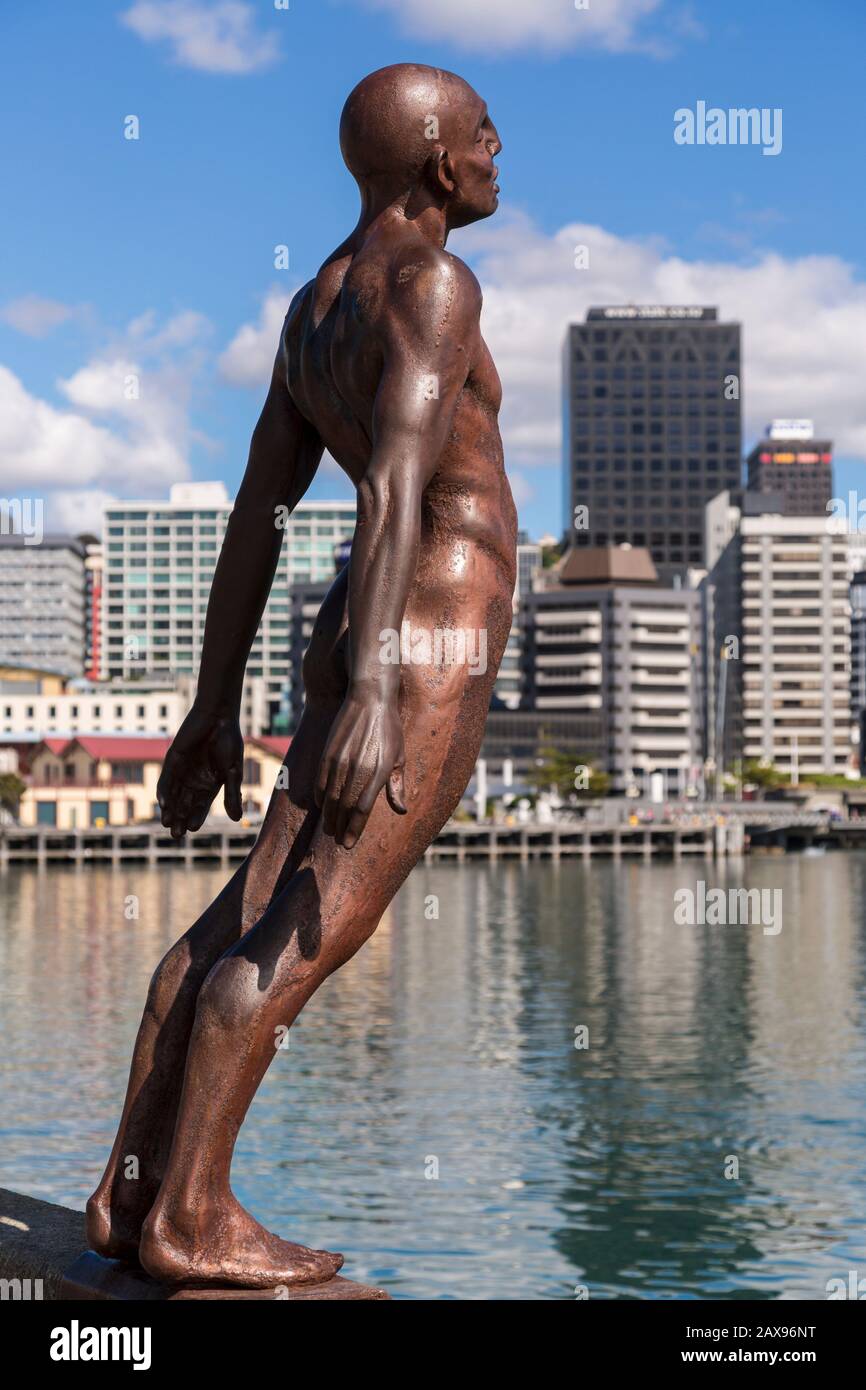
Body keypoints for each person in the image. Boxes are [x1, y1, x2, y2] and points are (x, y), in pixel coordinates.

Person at [86, 62, 516, 1287]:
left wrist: (211, 708)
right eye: (486, 136)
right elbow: (390, 485)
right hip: (424, 630)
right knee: (311, 931)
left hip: (361, 625)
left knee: (241, 915)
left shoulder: (314, 305)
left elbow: (254, 514)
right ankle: (195, 1218)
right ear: (438, 161)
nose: (499, 155)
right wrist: (381, 685)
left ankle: (131, 1194)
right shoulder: (434, 283)